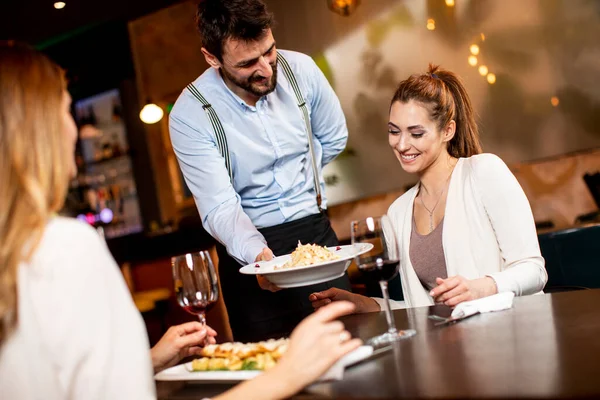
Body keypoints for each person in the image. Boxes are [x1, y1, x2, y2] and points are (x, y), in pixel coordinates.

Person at [0, 42, 362, 399]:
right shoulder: (65, 246)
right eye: (66, 112)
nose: (75, 131)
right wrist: (287, 374)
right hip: (253, 257)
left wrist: (151, 361)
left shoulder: (26, 251)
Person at [169, 0, 351, 342]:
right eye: (247, 63)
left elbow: (334, 137)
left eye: (269, 52)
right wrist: (259, 257)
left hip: (316, 238)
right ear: (212, 58)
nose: (266, 68)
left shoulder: (302, 70)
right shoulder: (190, 113)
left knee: (347, 353)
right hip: (250, 254)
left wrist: (300, 179)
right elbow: (219, 205)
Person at [310, 64, 548, 312]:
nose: (402, 145)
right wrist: (360, 303)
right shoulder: (398, 213)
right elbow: (421, 309)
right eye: (394, 131)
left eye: (416, 133)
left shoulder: (484, 172)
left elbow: (534, 271)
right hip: (449, 346)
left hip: (512, 334)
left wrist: (482, 287)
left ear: (448, 130)